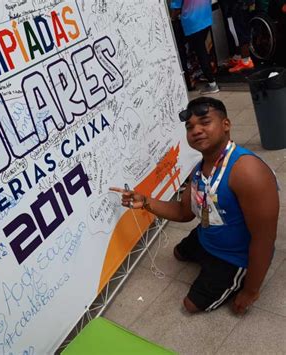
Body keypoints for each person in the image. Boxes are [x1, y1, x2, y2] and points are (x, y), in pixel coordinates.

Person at [110, 97, 279, 314]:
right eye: (190, 127)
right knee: (179, 254)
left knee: (190, 306)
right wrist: (145, 202)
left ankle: (236, 276)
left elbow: (264, 239)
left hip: (235, 255)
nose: (196, 130)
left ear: (226, 124)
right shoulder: (200, 168)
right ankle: (208, 258)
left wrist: (251, 290)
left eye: (205, 122)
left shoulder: (248, 172)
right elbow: (183, 212)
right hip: (208, 235)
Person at [171, 0, 220, 94]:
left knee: (201, 52)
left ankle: (212, 84)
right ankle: (206, 76)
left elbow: (176, 9)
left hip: (192, 23)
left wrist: (172, 19)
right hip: (206, 18)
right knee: (202, 50)